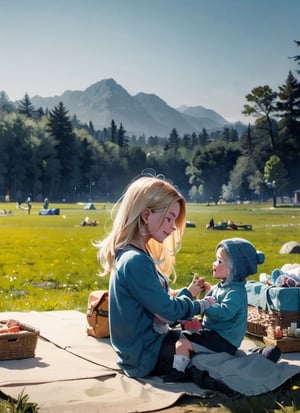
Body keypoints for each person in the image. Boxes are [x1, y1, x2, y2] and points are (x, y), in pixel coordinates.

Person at [93, 175, 215, 378]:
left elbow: (158, 304)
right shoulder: (136, 261)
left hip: (145, 349)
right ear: (146, 215)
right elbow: (168, 313)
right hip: (145, 359)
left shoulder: (132, 254)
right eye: (169, 218)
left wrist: (188, 293)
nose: (174, 226)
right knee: (204, 348)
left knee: (202, 340)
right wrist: (203, 304)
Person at [165, 237, 281, 383]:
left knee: (184, 340)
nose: (214, 264)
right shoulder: (222, 287)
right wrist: (206, 296)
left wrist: (205, 304)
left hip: (225, 340)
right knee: (188, 328)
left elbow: (224, 313)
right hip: (215, 332)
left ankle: (178, 372)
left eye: (220, 261)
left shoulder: (235, 293)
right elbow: (211, 304)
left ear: (234, 268)